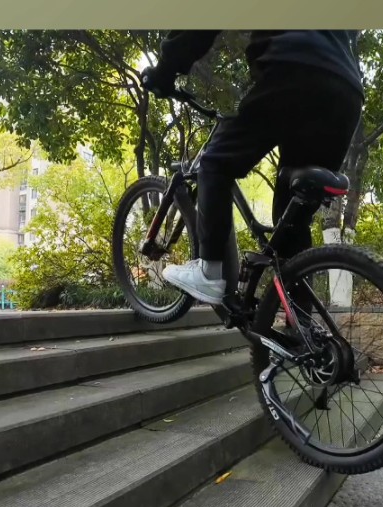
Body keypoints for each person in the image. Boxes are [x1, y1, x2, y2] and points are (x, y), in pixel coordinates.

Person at [141, 30, 364, 305]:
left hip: (294, 70)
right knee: (292, 217)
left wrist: (165, 70)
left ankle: (209, 272)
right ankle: (300, 330)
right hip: (347, 92)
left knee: (213, 163)